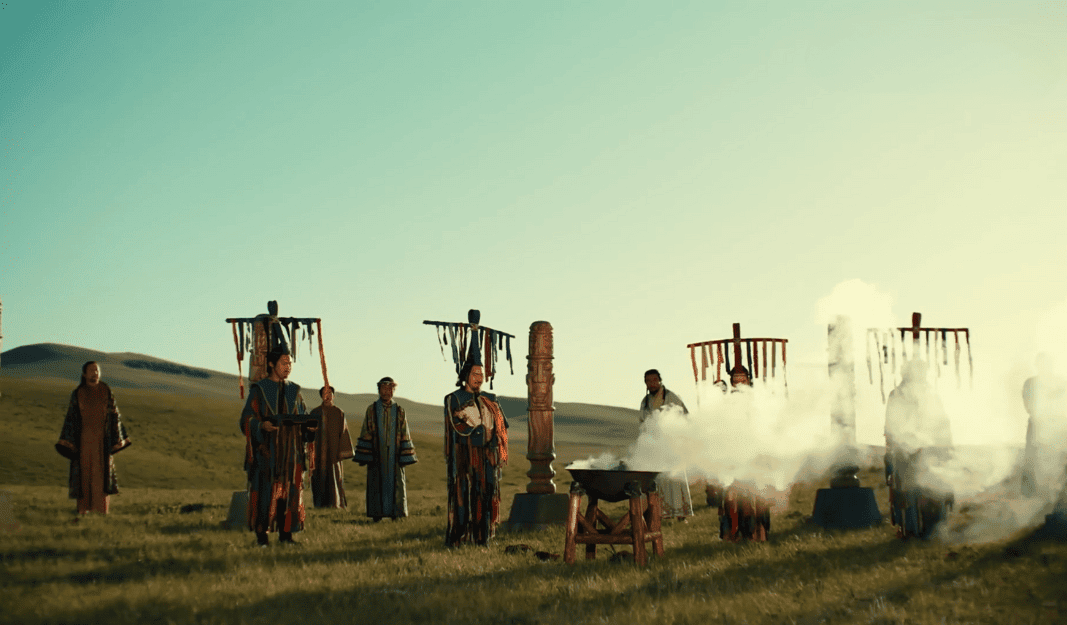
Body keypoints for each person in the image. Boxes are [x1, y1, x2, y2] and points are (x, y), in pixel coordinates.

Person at [239, 344, 317, 546]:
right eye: (284, 362)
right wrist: (261, 425)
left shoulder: (295, 391)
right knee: (265, 494)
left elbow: (303, 418)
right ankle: (261, 537)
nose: (288, 366)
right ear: (272, 364)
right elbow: (246, 419)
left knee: (289, 494)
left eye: (290, 363)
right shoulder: (260, 390)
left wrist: (309, 429)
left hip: (291, 454)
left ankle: (286, 536)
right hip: (268, 452)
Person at [884, 358, 954, 540]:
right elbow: (893, 427)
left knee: (932, 491)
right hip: (906, 453)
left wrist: (945, 447)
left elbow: (942, 423)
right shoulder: (897, 395)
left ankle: (933, 530)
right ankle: (912, 531)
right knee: (909, 494)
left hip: (930, 451)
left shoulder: (930, 394)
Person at [444, 351, 509, 546]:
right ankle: (460, 537)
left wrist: (493, 437)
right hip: (464, 455)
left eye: (481, 375)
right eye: (474, 374)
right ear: (465, 376)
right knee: (461, 495)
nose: (479, 379)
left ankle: (483, 537)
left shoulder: (491, 399)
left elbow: (502, 425)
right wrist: (481, 429)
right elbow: (458, 426)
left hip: (487, 455)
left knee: (486, 493)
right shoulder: (453, 398)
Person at [55, 361, 132, 515]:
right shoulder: (78, 392)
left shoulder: (106, 390)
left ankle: (101, 511)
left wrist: (115, 439)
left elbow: (114, 415)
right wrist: (70, 443)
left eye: (97, 370)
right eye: (91, 370)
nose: (95, 373)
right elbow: (72, 417)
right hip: (83, 441)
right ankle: (83, 510)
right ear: (84, 374)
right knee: (83, 475)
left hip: (102, 441)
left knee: (101, 476)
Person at [717, 365, 771, 542]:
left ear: (748, 379)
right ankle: (736, 532)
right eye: (736, 379)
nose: (739, 382)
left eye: (742, 378)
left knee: (759, 492)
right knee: (734, 495)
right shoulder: (727, 401)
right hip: (734, 450)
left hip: (755, 448)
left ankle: (760, 531)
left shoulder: (756, 399)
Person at [353, 377, 418, 521]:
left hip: (395, 454)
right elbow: (366, 430)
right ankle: (377, 514)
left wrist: (404, 454)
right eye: (384, 388)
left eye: (390, 389)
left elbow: (405, 431)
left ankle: (396, 514)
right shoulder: (371, 410)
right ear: (379, 390)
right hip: (377, 453)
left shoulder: (400, 411)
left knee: (397, 482)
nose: (387, 392)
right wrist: (366, 454)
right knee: (376, 481)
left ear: (394, 390)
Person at [639, 369, 694, 521]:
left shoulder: (670, 397)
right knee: (659, 480)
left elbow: (685, 416)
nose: (651, 383)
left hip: (672, 443)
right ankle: (663, 513)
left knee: (675, 478)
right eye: (648, 381)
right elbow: (642, 422)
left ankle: (680, 514)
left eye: (654, 380)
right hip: (654, 445)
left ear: (660, 380)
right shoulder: (645, 402)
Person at [1020, 353, 1067, 498]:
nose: (1046, 366)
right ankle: (1028, 491)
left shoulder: (1060, 381)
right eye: (1043, 363)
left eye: (1048, 363)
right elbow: (1027, 402)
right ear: (1038, 365)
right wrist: (1039, 416)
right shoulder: (1030, 382)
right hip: (1036, 423)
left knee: (1061, 456)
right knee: (1031, 455)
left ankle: (1061, 490)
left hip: (1058, 425)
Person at [309, 385, 354, 509]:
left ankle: (336, 504)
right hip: (318, 453)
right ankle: (319, 505)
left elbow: (344, 433)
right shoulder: (314, 413)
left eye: (329, 393)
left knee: (335, 477)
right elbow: (308, 434)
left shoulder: (339, 413)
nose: (327, 396)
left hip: (333, 454)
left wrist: (342, 452)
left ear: (334, 396)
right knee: (318, 477)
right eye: (324, 393)